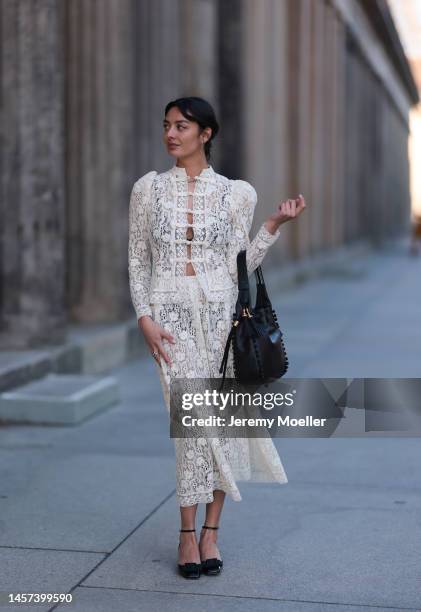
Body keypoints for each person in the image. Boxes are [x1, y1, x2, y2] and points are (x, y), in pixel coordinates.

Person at [128, 96, 306, 579]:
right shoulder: (148, 190)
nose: (171, 134)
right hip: (170, 319)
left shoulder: (236, 194)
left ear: (206, 133)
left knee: (221, 425)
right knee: (190, 426)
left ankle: (211, 533)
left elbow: (239, 266)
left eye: (182, 126)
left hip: (223, 318)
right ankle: (188, 535)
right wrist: (144, 316)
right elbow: (138, 259)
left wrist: (271, 226)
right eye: (166, 125)